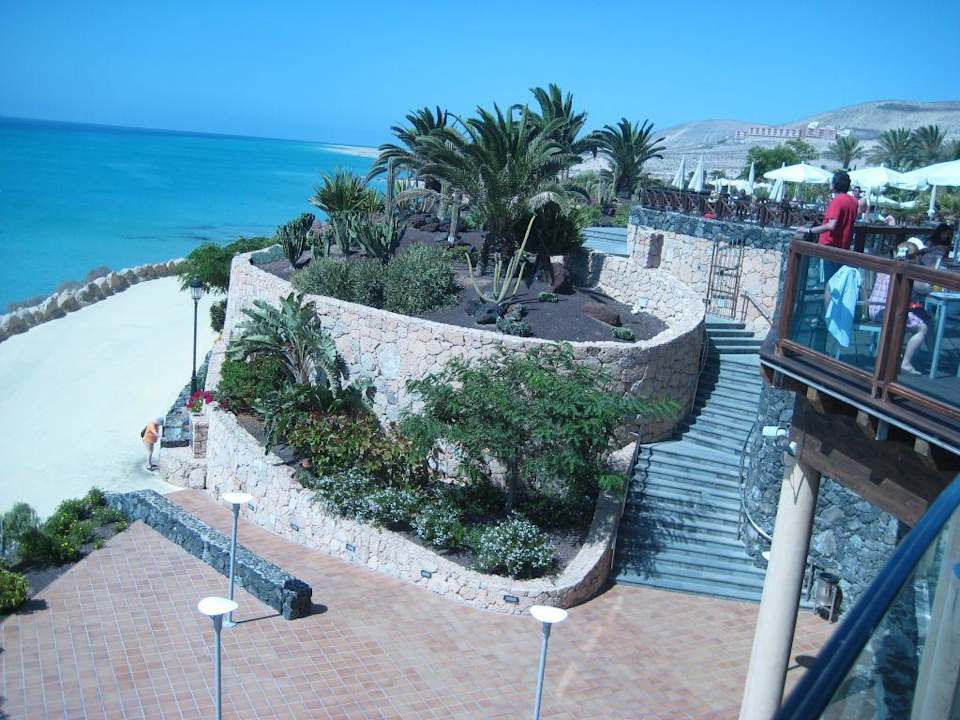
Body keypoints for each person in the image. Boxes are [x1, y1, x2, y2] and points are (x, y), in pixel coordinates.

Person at [867, 238, 930, 376]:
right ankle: (906, 362)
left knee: (918, 315)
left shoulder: (888, 264)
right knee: (923, 326)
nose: (921, 258)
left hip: (873, 308)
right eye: (920, 255)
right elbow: (923, 288)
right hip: (886, 311)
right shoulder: (906, 270)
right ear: (914, 256)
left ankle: (897, 353)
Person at [799, 171, 860, 283]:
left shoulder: (837, 200)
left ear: (835, 184)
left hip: (830, 247)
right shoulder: (854, 202)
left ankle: (827, 301)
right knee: (837, 282)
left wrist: (809, 230)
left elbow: (832, 225)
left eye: (832, 181)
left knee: (829, 284)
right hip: (843, 247)